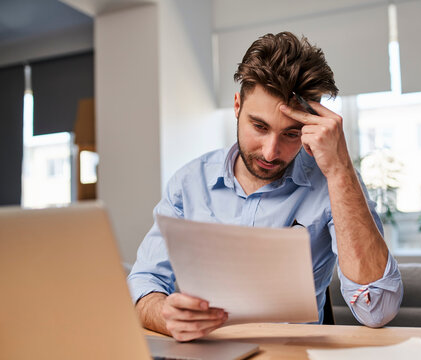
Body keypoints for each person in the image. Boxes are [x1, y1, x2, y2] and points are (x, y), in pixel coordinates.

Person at [127, 32, 402, 342]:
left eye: (291, 134)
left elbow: (377, 310)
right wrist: (166, 315)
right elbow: (143, 284)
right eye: (259, 126)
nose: (271, 152)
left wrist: (339, 170)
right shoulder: (188, 183)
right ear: (236, 105)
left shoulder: (333, 182)